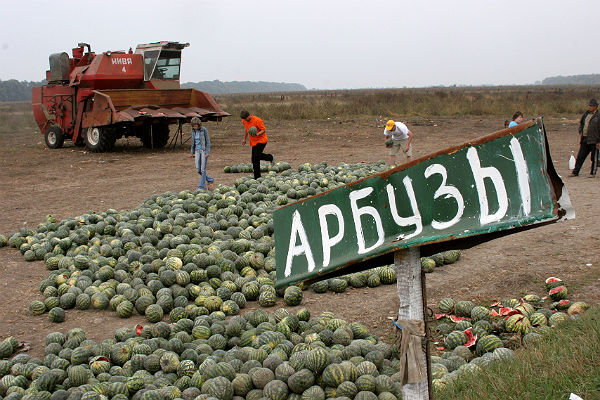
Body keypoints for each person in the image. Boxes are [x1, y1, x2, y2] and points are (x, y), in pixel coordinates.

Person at [240, 110, 274, 179]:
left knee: (256, 156)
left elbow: (263, 130)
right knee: (254, 159)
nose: (245, 120)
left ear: (249, 116)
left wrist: (257, 134)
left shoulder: (257, 120)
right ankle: (257, 177)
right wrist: (244, 139)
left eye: (246, 119)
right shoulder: (244, 121)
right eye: (244, 119)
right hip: (253, 141)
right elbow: (246, 129)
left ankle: (271, 157)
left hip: (262, 140)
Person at [571, 99, 599, 177]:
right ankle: (575, 172)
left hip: (594, 140)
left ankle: (592, 173)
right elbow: (582, 123)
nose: (590, 107)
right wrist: (581, 130)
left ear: (596, 106)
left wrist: (599, 141)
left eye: (592, 105)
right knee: (580, 156)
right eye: (589, 105)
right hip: (585, 138)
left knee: (594, 158)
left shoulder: (598, 116)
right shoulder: (586, 114)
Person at [189, 117, 214, 190]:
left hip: (203, 151)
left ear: (199, 125)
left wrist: (207, 152)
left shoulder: (204, 130)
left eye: (196, 126)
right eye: (194, 126)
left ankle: (201, 187)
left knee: (203, 170)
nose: (195, 127)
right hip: (197, 151)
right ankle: (210, 179)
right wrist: (192, 152)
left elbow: (208, 142)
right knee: (198, 170)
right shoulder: (193, 131)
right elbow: (193, 142)